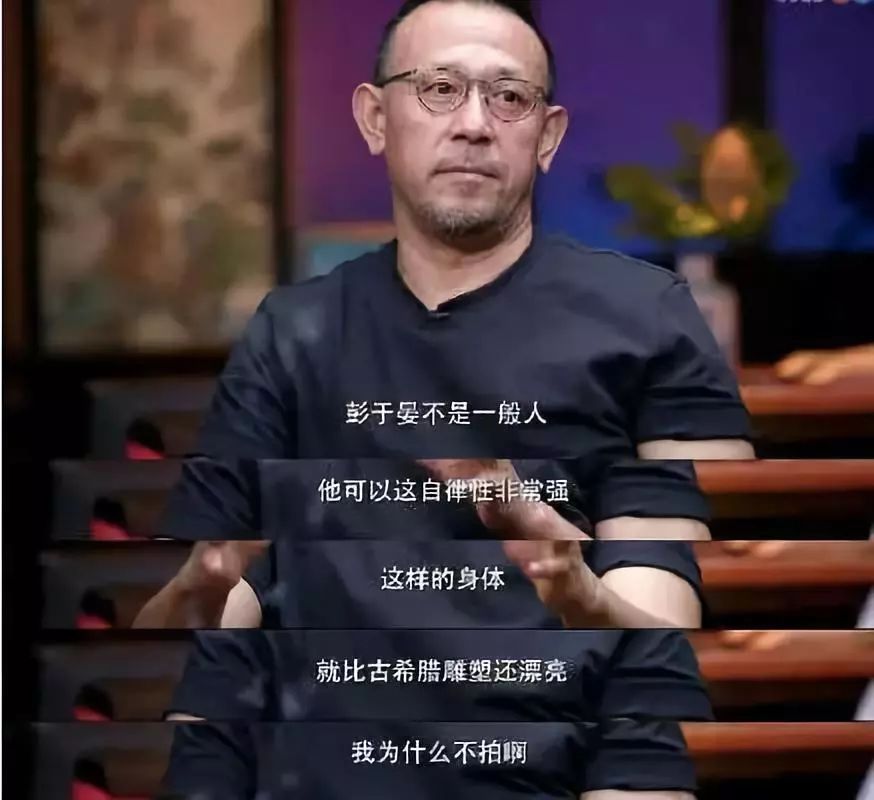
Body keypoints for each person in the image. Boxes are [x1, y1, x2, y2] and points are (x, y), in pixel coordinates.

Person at [139, 0, 756, 796]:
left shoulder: (647, 319)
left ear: (548, 137)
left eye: (509, 97)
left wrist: (581, 596)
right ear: (375, 117)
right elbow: (214, 652)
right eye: (439, 89)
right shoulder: (292, 334)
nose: (473, 124)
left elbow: (663, 659)